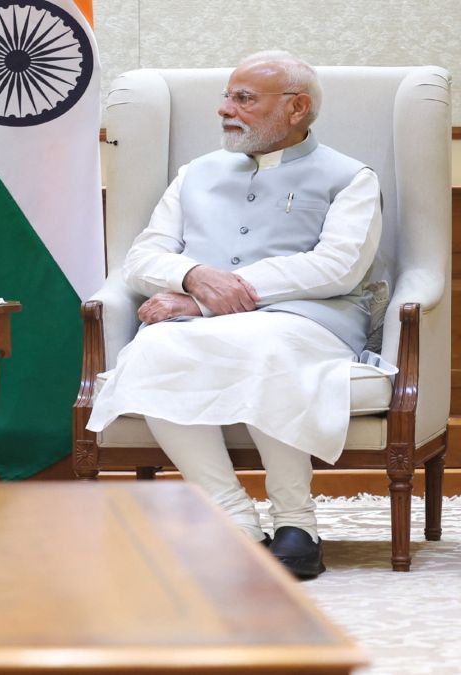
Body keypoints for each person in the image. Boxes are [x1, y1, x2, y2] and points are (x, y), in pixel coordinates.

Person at [86, 50, 389, 579]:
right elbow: (142, 257)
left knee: (265, 345)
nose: (226, 109)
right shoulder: (195, 175)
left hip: (309, 320)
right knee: (153, 349)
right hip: (199, 322)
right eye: (227, 96)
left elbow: (338, 266)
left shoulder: (350, 177)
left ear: (297, 108)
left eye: (244, 99)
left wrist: (207, 298)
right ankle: (231, 515)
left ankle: (298, 522)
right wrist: (192, 277)